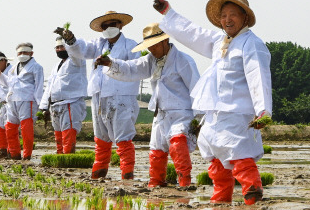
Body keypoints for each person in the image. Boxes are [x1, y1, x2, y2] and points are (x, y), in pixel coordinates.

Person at [153, 0, 272, 205]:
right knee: (216, 159)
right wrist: (167, 12)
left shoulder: (251, 44)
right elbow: (192, 32)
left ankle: (253, 198)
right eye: (224, 15)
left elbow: (258, 76)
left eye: (233, 15)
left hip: (238, 114)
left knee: (240, 156)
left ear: (245, 17)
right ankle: (220, 203)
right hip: (214, 114)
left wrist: (263, 111)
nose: (227, 20)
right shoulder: (219, 41)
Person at [96, 23, 200, 188]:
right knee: (156, 151)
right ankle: (156, 183)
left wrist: (198, 118)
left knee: (177, 144)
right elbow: (131, 68)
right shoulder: (152, 60)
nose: (151, 50)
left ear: (164, 41)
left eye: (154, 46)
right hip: (160, 114)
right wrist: (111, 63)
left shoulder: (183, 61)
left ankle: (185, 183)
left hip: (181, 113)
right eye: (149, 46)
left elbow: (197, 89)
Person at [55, 11, 140, 179]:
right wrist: (71, 40)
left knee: (123, 137)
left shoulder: (131, 46)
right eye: (105, 26)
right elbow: (82, 49)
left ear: (120, 25)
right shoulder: (98, 45)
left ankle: (127, 176)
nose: (109, 28)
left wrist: (112, 63)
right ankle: (99, 173)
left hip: (121, 96)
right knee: (101, 138)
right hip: (99, 97)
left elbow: (137, 68)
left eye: (113, 24)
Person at [39, 36, 87, 154]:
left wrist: (70, 40)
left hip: (70, 102)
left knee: (68, 133)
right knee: (58, 134)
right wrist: (44, 106)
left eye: (62, 46)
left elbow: (76, 51)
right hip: (55, 104)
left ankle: (68, 158)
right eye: (57, 47)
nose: (60, 49)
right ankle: (60, 158)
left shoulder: (77, 60)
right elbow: (49, 86)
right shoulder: (56, 66)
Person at [4, 43, 44, 160]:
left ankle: (27, 155)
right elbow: (8, 83)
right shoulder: (13, 68)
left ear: (31, 53)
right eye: (20, 53)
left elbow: (39, 86)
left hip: (27, 99)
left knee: (26, 129)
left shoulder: (37, 67)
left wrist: (42, 105)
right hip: (12, 99)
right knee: (10, 127)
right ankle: (14, 153)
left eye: (25, 52)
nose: (22, 55)